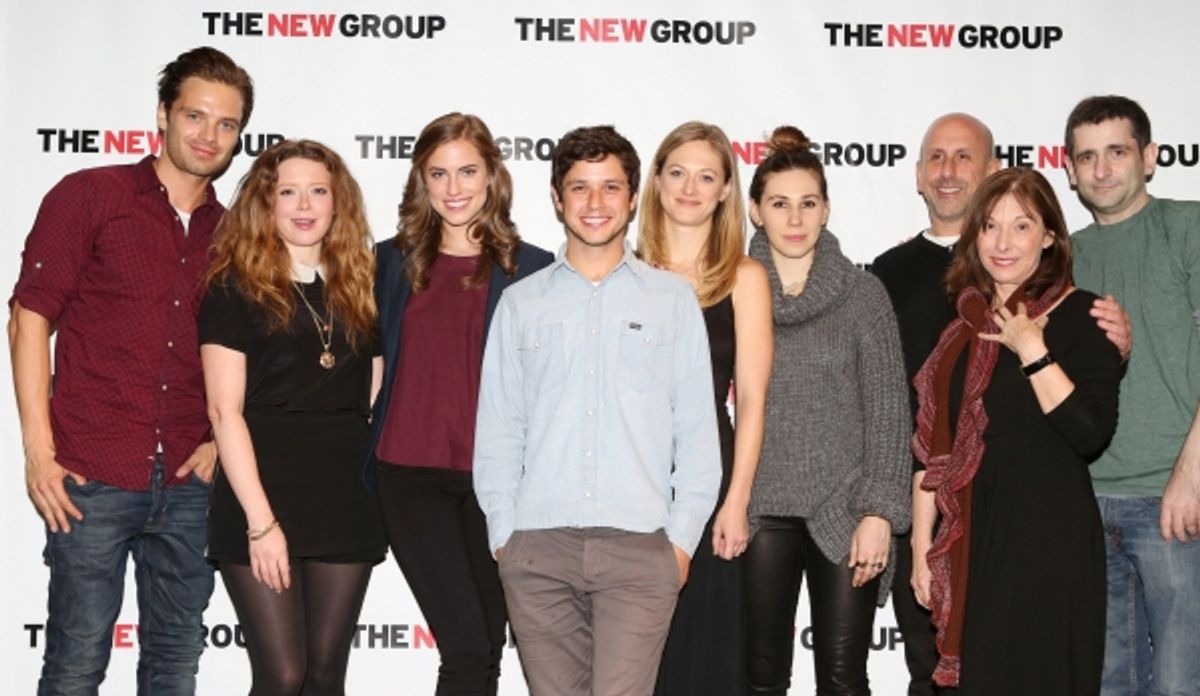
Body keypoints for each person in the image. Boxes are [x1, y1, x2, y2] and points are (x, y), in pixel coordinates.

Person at [8, 46, 252, 695]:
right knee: (77, 662)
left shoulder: (234, 238)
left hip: (190, 486)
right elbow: (30, 317)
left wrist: (214, 445)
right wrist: (38, 452)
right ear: (163, 116)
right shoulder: (90, 195)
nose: (209, 135)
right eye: (195, 116)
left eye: (226, 124)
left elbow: (255, 353)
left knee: (174, 663)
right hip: (90, 471)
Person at [473, 125, 722, 696]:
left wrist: (680, 544)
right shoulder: (521, 303)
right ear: (557, 199)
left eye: (610, 187)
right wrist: (506, 539)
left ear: (634, 198)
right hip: (537, 547)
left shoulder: (672, 301)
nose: (595, 203)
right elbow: (499, 433)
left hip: (641, 548)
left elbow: (698, 435)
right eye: (579, 188)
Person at [912, 167, 1120, 694]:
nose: (1003, 243)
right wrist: (920, 548)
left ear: (1050, 236)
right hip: (973, 538)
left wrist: (1032, 348)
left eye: (1022, 227)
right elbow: (933, 455)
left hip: (1049, 545)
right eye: (990, 226)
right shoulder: (959, 330)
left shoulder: (1083, 316)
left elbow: (1090, 434)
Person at [366, 112, 552, 695]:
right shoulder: (388, 263)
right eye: (438, 173)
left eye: (467, 171)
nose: (454, 189)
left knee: (487, 646)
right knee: (468, 644)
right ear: (421, 180)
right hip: (409, 475)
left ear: (492, 176)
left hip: (498, 484)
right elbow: (363, 367)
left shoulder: (535, 270)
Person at [200, 139, 385, 695]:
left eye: (318, 191)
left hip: (345, 500)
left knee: (326, 676)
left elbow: (373, 398)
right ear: (265, 202)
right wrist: (261, 523)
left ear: (338, 202)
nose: (304, 205)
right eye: (288, 192)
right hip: (263, 496)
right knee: (284, 675)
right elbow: (223, 412)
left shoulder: (362, 288)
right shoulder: (233, 287)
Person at [744, 126, 911, 696]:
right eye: (780, 204)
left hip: (845, 510)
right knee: (760, 679)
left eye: (808, 203)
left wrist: (880, 513)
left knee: (843, 681)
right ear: (755, 212)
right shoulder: (735, 291)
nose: (795, 218)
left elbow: (890, 410)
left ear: (827, 210)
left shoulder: (863, 294)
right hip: (758, 505)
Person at [1064, 95, 1200, 696]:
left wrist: (1190, 475)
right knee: (1109, 683)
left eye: (1116, 152)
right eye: (1086, 157)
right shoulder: (1062, 255)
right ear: (1068, 169)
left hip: (1172, 500)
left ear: (1149, 156)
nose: (1101, 169)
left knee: (1179, 682)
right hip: (1087, 504)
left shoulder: (1188, 228)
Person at [636, 121, 772, 696]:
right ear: (658, 182)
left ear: (724, 192)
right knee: (635, 651)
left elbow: (754, 399)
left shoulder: (744, 276)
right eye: (678, 172)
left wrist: (736, 501)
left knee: (709, 651)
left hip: (706, 477)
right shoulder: (624, 268)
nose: (690, 188)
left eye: (707, 176)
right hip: (629, 477)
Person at [870, 113, 998, 696]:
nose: (948, 171)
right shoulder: (885, 275)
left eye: (964, 156)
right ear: (919, 176)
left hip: (1003, 500)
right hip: (914, 501)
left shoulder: (1020, 267)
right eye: (936, 158)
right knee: (929, 666)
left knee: (1003, 661)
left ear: (992, 170)